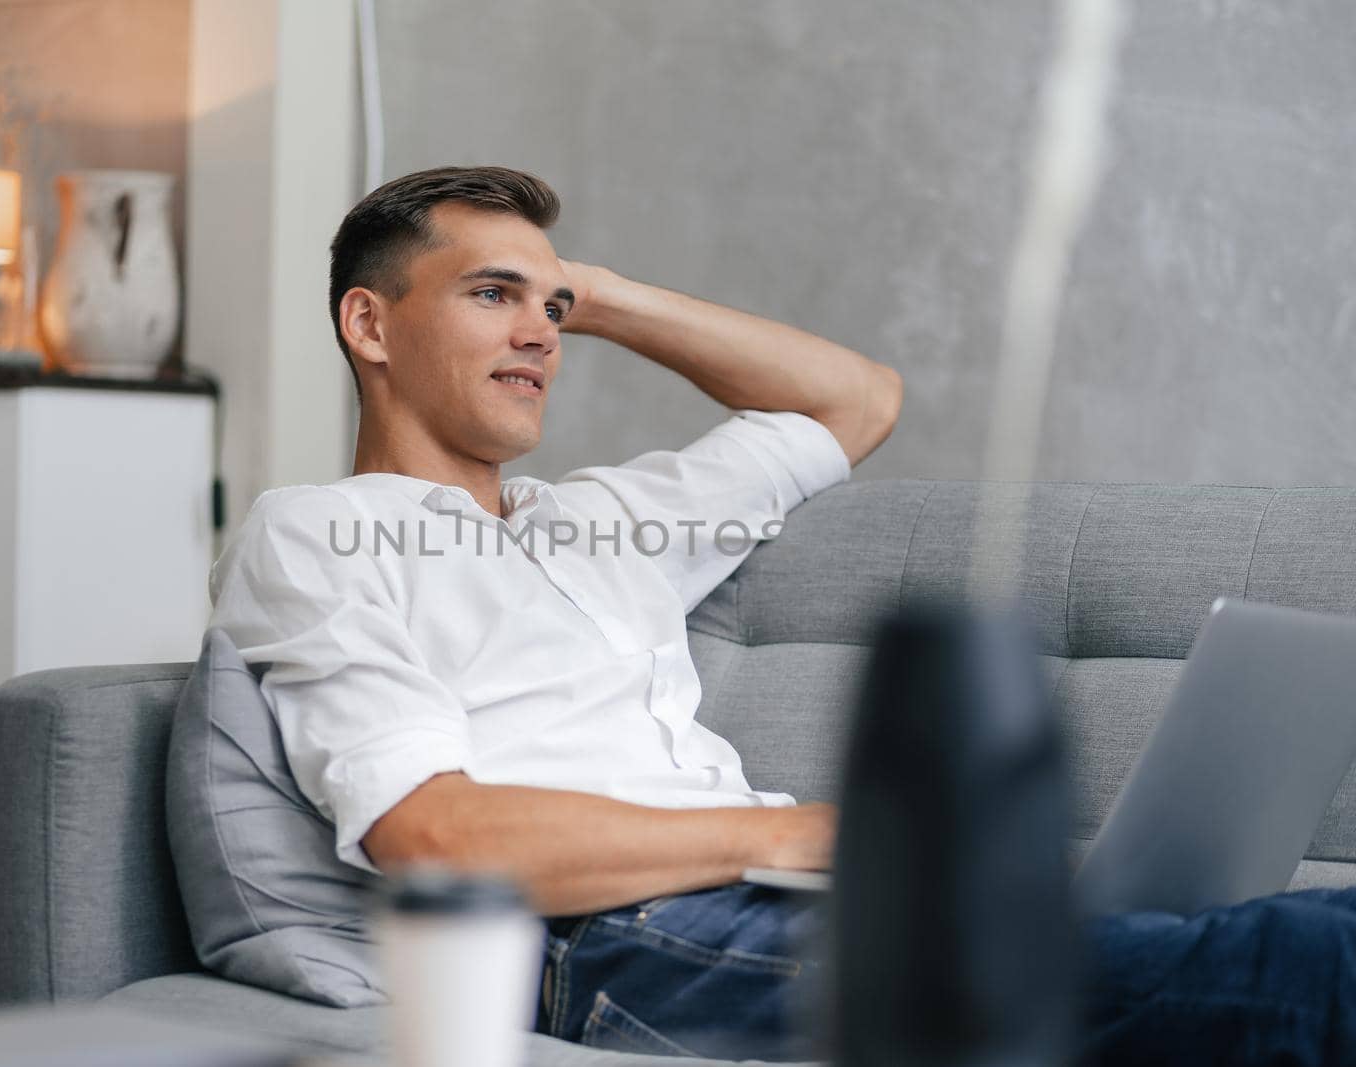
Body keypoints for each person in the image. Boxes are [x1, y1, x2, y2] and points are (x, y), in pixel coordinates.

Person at [207, 165, 1356, 1064]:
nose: (539, 333)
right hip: (620, 939)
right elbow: (433, 837)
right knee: (1295, 966)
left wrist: (596, 294)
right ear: (369, 325)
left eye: (548, 304)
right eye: (490, 294)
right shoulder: (318, 532)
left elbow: (856, 397)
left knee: (1283, 936)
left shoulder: (608, 519)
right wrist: (785, 831)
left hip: (768, 902)